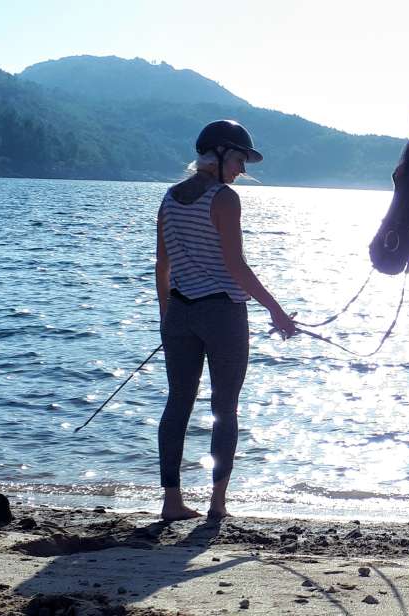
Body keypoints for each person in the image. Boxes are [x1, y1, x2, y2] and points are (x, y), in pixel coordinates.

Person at [154, 119, 297, 521]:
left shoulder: (169, 197)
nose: (241, 170)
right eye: (238, 159)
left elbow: (162, 265)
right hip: (222, 314)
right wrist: (277, 310)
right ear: (217, 154)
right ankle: (217, 503)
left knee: (177, 404)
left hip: (180, 312)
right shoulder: (224, 199)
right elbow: (236, 266)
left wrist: (167, 315)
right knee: (225, 408)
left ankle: (171, 502)